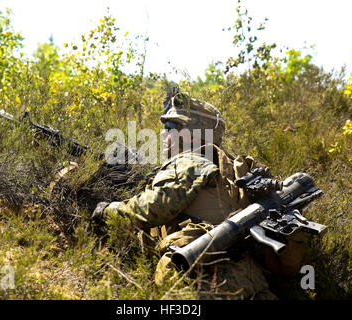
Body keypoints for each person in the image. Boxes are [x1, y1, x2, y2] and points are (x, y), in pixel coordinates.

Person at [91, 90, 309, 299]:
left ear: (193, 134)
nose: (164, 133)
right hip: (250, 278)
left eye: (170, 126)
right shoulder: (233, 168)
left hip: (207, 278)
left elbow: (155, 208)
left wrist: (108, 210)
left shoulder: (191, 161)